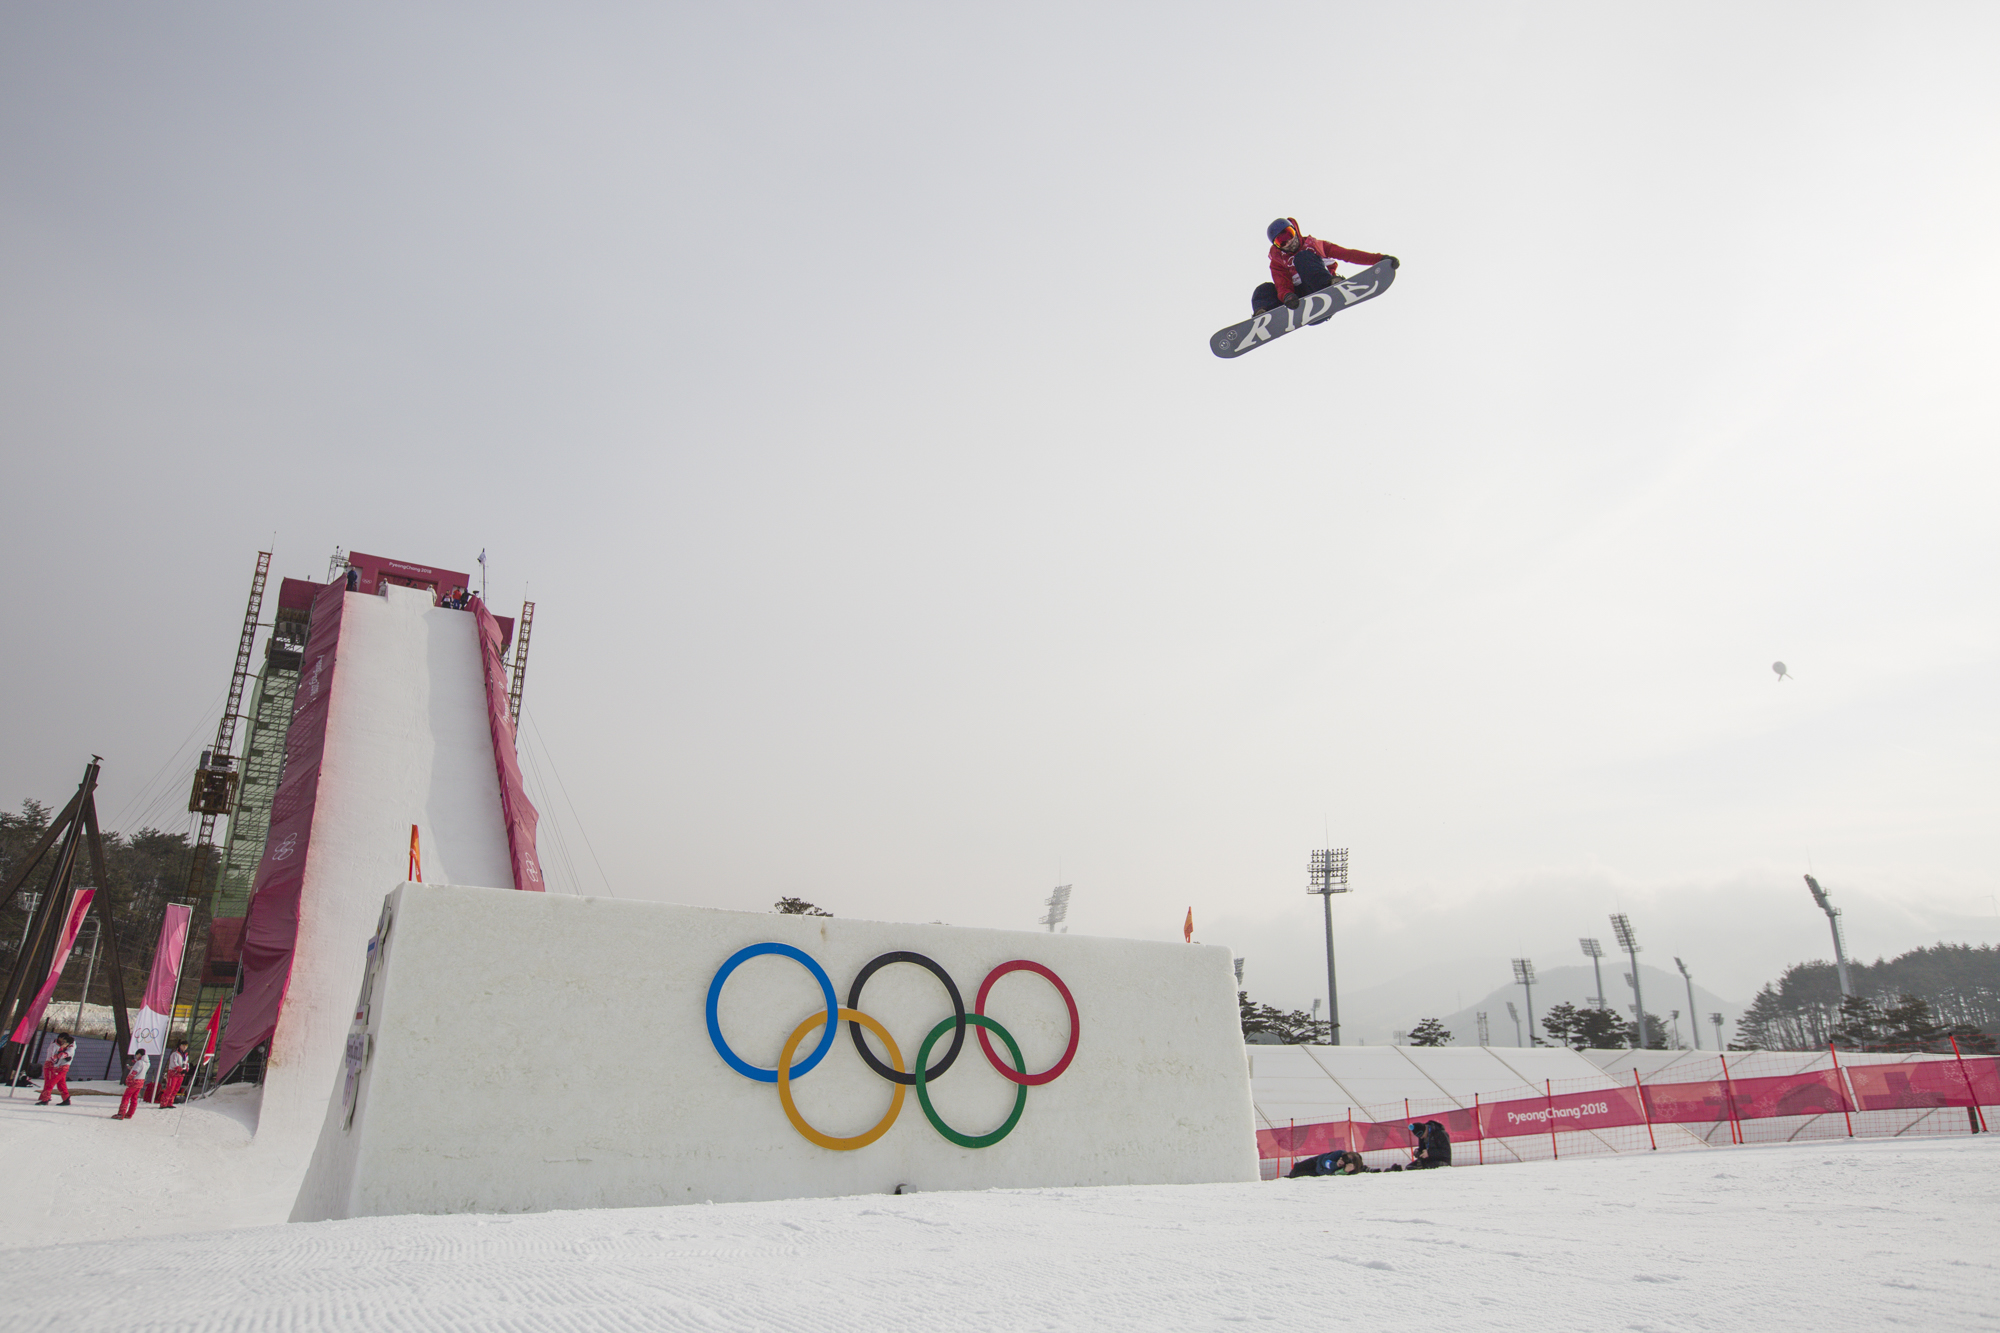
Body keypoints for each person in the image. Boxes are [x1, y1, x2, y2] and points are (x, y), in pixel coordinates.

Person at [1252, 217, 1396, 315]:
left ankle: (1328, 287)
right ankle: (1264, 318)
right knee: (1264, 289)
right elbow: (1282, 284)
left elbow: (1349, 254)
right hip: (1297, 300)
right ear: (1277, 246)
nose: (1288, 242)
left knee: (1302, 257)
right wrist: (1288, 297)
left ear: (1295, 230)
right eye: (1281, 242)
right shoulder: (1278, 261)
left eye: (1289, 235)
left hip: (1317, 285)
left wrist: (1380, 259)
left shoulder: (1316, 246)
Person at [36, 1033, 74, 1106]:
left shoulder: (70, 1045)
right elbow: (52, 1056)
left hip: (61, 1067)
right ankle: (66, 1099)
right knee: (60, 1084)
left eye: (65, 1042)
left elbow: (68, 1053)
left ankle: (45, 1099)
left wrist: (63, 1054)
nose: (64, 1043)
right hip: (55, 1065)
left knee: (51, 1083)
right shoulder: (54, 1045)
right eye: (63, 1041)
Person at [155, 1040, 190, 1109]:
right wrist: (180, 1069)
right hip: (173, 1074)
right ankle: (163, 1103)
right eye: (183, 1045)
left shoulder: (185, 1055)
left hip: (180, 1075)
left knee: (176, 1089)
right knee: (170, 1088)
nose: (185, 1047)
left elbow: (187, 1063)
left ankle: (170, 1102)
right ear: (180, 1046)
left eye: (186, 1046)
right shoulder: (175, 1054)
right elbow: (174, 1063)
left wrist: (186, 1069)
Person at [116, 1051, 148, 1120]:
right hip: (140, 1082)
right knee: (134, 1098)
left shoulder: (139, 1062)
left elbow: (135, 1071)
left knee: (126, 1097)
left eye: (136, 1055)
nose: (135, 1056)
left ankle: (121, 1113)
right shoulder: (147, 1063)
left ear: (139, 1054)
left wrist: (128, 1079)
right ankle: (130, 1114)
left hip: (134, 1082)